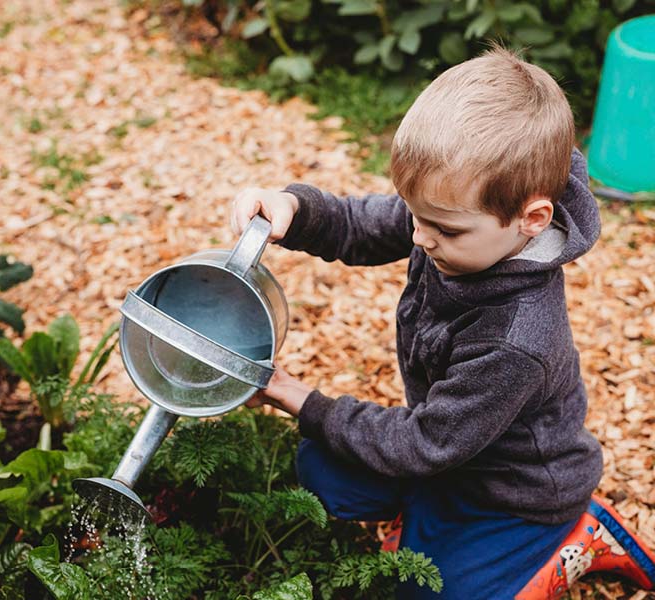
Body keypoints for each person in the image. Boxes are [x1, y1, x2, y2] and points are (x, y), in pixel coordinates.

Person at [229, 46, 655, 599]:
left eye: (443, 230)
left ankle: (577, 538)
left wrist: (295, 395)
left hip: (513, 496)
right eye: (417, 215)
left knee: (422, 592)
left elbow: (424, 443)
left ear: (533, 219)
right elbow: (359, 225)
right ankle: (426, 516)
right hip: (447, 449)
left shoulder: (516, 339)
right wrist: (294, 208)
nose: (418, 238)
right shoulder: (457, 218)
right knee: (320, 470)